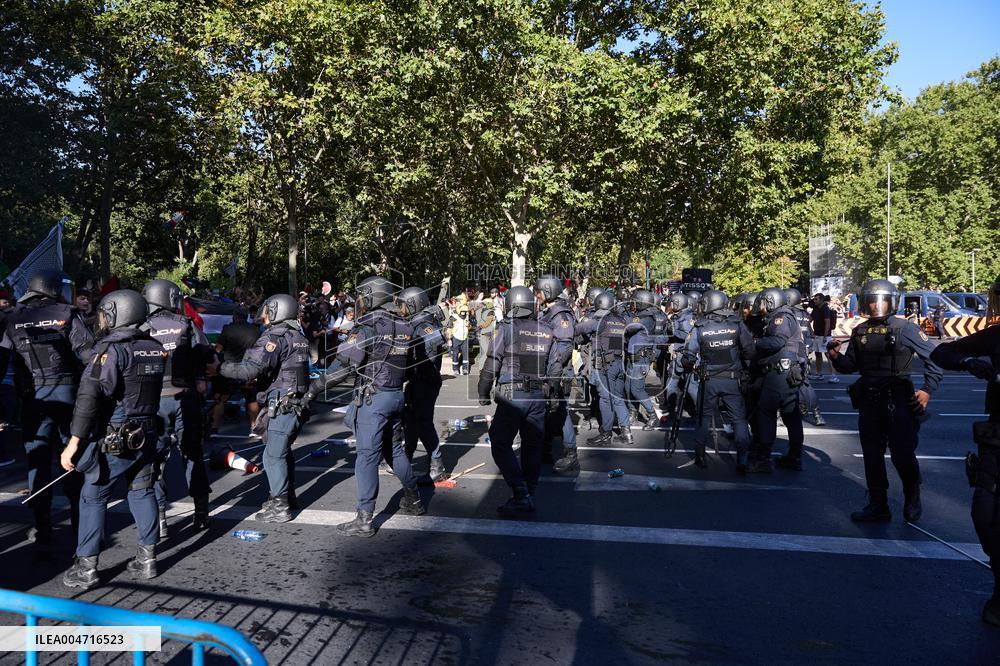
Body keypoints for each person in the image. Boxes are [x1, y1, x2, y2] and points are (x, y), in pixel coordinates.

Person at [60, 289, 165, 589]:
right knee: (142, 490)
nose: (101, 319)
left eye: (105, 313)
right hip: (147, 432)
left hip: (118, 434)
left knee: (92, 495)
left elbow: (88, 397)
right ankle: (147, 560)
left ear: (118, 313)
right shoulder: (154, 347)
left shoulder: (111, 349)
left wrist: (73, 443)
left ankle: (86, 568)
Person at [305, 277, 424, 537]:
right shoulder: (405, 325)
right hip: (395, 395)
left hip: (375, 398)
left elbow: (344, 365)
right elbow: (414, 361)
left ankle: (364, 519)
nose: (359, 301)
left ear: (372, 297)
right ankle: (414, 500)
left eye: (362, 296)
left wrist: (313, 389)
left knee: (367, 458)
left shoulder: (368, 326)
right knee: (394, 450)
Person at [827, 279, 942, 523]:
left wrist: (927, 390)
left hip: (898, 400)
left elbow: (935, 359)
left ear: (893, 302)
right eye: (871, 301)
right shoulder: (860, 331)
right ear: (864, 303)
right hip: (869, 402)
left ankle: (912, 495)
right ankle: (878, 504)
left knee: (902, 454)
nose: (876, 306)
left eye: (882, 301)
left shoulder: (905, 329)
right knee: (872, 454)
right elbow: (851, 366)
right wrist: (835, 356)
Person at [0, 269, 94, 544]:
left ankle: (42, 527)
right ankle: (81, 526)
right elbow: (89, 355)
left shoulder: (13, 317)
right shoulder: (68, 313)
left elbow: (2, 360)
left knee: (37, 462)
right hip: (68, 395)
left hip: (34, 398)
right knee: (72, 458)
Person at [929, 274, 1000, 626]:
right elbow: (944, 351)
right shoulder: (998, 335)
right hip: (998, 441)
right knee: (984, 515)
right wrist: (969, 363)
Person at [213, 293, 310, 523]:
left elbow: (250, 369)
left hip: (283, 405)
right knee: (283, 454)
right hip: (294, 403)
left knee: (273, 457)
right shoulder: (298, 336)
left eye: (268, 310)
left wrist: (219, 369)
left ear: (277, 311)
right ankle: (287, 497)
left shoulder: (276, 337)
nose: (264, 315)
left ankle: (280, 506)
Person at [478, 286, 562, 516]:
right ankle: (530, 492)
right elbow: (555, 368)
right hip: (538, 396)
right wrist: (554, 397)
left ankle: (520, 491)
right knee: (532, 445)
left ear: (510, 304)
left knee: (499, 441)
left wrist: (483, 391)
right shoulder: (547, 330)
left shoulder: (507, 328)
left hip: (513, 395)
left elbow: (492, 361)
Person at [142, 279, 214, 537]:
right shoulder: (187, 325)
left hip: (153, 402)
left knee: (156, 460)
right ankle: (201, 514)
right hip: (185, 398)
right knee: (193, 455)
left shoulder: (142, 327)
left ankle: (160, 519)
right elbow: (208, 356)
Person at [682, 290, 755, 472]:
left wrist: (688, 366)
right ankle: (743, 459)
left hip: (709, 381)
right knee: (738, 420)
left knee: (703, 418)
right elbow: (750, 351)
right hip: (732, 380)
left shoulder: (700, 326)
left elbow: (689, 356)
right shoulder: (737, 324)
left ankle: (700, 456)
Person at [747, 288, 805, 473]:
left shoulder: (780, 317)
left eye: (763, 303)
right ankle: (794, 457)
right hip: (787, 372)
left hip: (779, 373)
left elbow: (777, 342)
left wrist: (754, 343)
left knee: (766, 412)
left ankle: (763, 459)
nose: (761, 307)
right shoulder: (785, 315)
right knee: (791, 414)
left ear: (770, 302)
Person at [398, 286, 448, 481]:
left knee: (424, 423)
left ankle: (437, 466)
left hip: (425, 380)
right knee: (410, 420)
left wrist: (413, 360)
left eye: (404, 306)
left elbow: (434, 342)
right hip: (416, 379)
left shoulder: (425, 324)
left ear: (413, 305)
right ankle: (406, 458)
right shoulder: (416, 322)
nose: (402, 310)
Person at [579, 291, 632, 445]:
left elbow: (580, 329)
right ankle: (626, 432)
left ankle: (606, 434)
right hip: (619, 363)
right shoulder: (621, 321)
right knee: (617, 398)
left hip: (604, 366)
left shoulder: (599, 321)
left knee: (605, 399)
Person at [534, 276, 577, 464]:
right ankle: (545, 450)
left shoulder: (561, 315)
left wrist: (553, 375)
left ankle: (570, 454)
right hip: (547, 370)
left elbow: (564, 347)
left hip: (558, 373)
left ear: (548, 291)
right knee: (547, 410)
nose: (536, 296)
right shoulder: (549, 312)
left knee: (560, 410)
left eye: (538, 292)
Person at [211, 310, 261, 435]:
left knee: (220, 398)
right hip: (249, 368)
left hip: (229, 368)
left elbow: (218, 349)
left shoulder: (228, 329)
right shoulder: (255, 330)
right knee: (251, 398)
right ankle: (254, 427)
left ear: (234, 318)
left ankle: (214, 428)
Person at [785, 288, 825, 426]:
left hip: (791, 352)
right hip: (803, 352)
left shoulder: (788, 314)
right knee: (805, 384)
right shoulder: (804, 315)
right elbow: (809, 334)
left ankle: (780, 415)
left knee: (781, 382)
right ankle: (817, 414)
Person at [623, 289, 662, 431]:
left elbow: (629, 327)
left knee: (637, 389)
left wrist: (619, 317)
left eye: (635, 301)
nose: (633, 304)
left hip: (641, 359)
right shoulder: (640, 315)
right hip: (633, 357)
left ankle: (653, 416)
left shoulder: (647, 317)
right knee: (628, 388)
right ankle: (632, 413)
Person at [810, 293, 838, 383]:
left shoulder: (825, 308)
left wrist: (826, 336)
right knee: (818, 354)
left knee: (828, 355)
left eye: (816, 299)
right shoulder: (815, 309)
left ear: (821, 300)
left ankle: (834, 376)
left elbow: (827, 322)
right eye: (814, 299)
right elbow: (809, 320)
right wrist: (811, 332)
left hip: (825, 336)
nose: (815, 301)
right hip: (817, 335)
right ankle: (819, 374)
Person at [448, 297, 471, 375]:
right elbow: (449, 328)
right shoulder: (454, 317)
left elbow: (469, 325)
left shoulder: (466, 316)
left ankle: (465, 368)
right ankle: (455, 369)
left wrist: (469, 325)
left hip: (465, 338)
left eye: (465, 312)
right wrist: (449, 339)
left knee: (465, 354)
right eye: (463, 312)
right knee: (455, 354)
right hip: (456, 338)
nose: (464, 314)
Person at [474, 297, 497, 373]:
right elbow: (487, 323)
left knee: (484, 351)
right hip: (487, 334)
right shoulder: (490, 312)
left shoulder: (480, 311)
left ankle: (483, 367)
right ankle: (482, 368)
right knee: (487, 352)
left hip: (483, 333)